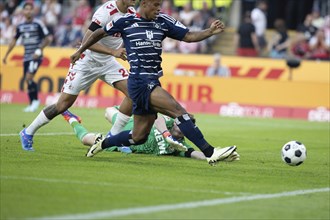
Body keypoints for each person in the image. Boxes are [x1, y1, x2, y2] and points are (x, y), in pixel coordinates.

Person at [71, 0, 237, 166]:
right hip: (139, 81)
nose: (159, 9)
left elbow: (188, 36)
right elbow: (97, 33)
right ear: (144, 3)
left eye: (160, 5)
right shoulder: (125, 21)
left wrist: (210, 31)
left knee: (138, 137)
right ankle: (211, 152)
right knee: (178, 111)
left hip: (152, 79)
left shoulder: (163, 21)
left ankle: (103, 143)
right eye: (155, 5)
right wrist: (80, 50)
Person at [18, 0, 137, 151]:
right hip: (87, 62)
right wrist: (113, 52)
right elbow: (87, 41)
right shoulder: (106, 12)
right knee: (62, 105)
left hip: (108, 63)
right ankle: (28, 132)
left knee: (134, 92)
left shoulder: (132, 12)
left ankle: (112, 140)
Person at [61, 108, 240, 161]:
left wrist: (215, 157)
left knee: (86, 140)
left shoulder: (179, 146)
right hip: (132, 124)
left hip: (125, 145)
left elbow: (194, 154)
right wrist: (166, 133)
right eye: (179, 124)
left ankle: (71, 119)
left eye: (183, 128)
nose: (179, 127)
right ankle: (114, 127)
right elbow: (158, 118)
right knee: (108, 111)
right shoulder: (168, 123)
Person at [2, 2, 52, 112]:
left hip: (36, 56)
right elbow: (14, 41)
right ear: (23, 11)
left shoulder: (38, 24)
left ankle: (35, 101)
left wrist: (39, 50)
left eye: (30, 9)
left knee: (29, 77)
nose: (28, 11)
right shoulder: (20, 26)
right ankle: (31, 102)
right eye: (26, 9)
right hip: (26, 57)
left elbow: (48, 38)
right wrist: (6, 55)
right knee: (27, 79)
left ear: (33, 11)